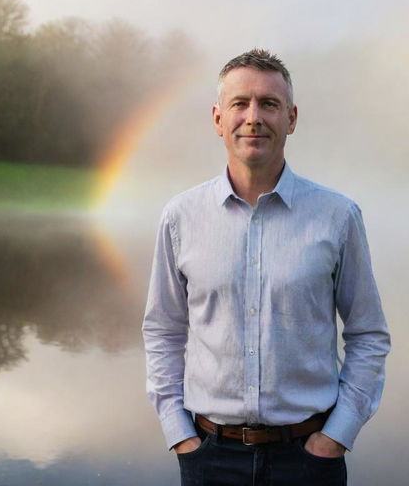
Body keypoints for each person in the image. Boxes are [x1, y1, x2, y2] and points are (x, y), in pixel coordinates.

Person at [143, 49, 390, 485]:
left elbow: (368, 334)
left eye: (269, 104)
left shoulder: (337, 216)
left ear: (291, 118)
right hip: (209, 458)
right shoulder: (180, 217)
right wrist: (180, 435)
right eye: (240, 103)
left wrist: (336, 436)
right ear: (218, 119)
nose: (253, 117)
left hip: (310, 458)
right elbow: (163, 330)